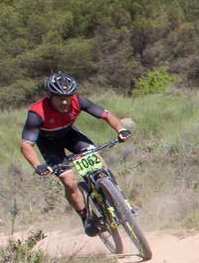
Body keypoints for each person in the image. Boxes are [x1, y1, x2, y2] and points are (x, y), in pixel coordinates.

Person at [20, 72, 131, 236]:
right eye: (59, 97)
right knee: (68, 180)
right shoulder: (37, 113)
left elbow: (106, 115)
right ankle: (87, 218)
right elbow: (26, 144)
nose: (65, 102)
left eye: (68, 97)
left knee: (97, 160)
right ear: (50, 96)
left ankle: (118, 199)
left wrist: (121, 129)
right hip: (49, 144)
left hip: (71, 136)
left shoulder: (79, 101)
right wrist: (38, 165)